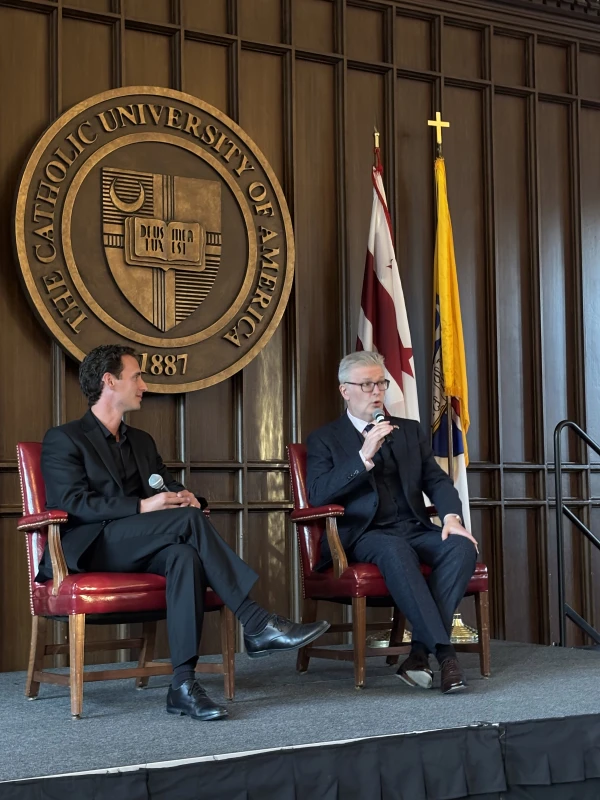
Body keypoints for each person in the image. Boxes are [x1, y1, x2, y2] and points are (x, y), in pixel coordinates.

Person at [39, 344, 329, 721]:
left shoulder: (141, 441)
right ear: (109, 381)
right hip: (91, 546)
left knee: (184, 556)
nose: (144, 384)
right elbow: (73, 503)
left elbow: (162, 484)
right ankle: (256, 622)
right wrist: (144, 506)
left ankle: (182, 685)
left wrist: (184, 497)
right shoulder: (64, 438)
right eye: (136, 376)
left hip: (139, 542)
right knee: (188, 527)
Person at [305, 351, 478, 694]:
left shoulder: (410, 432)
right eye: (366, 384)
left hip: (414, 527)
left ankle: (417, 656)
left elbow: (438, 481)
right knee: (396, 550)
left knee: (461, 546)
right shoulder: (325, 438)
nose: (376, 392)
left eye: (381, 383)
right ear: (345, 391)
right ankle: (445, 655)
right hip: (365, 534)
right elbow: (318, 494)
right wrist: (363, 456)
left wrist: (452, 518)